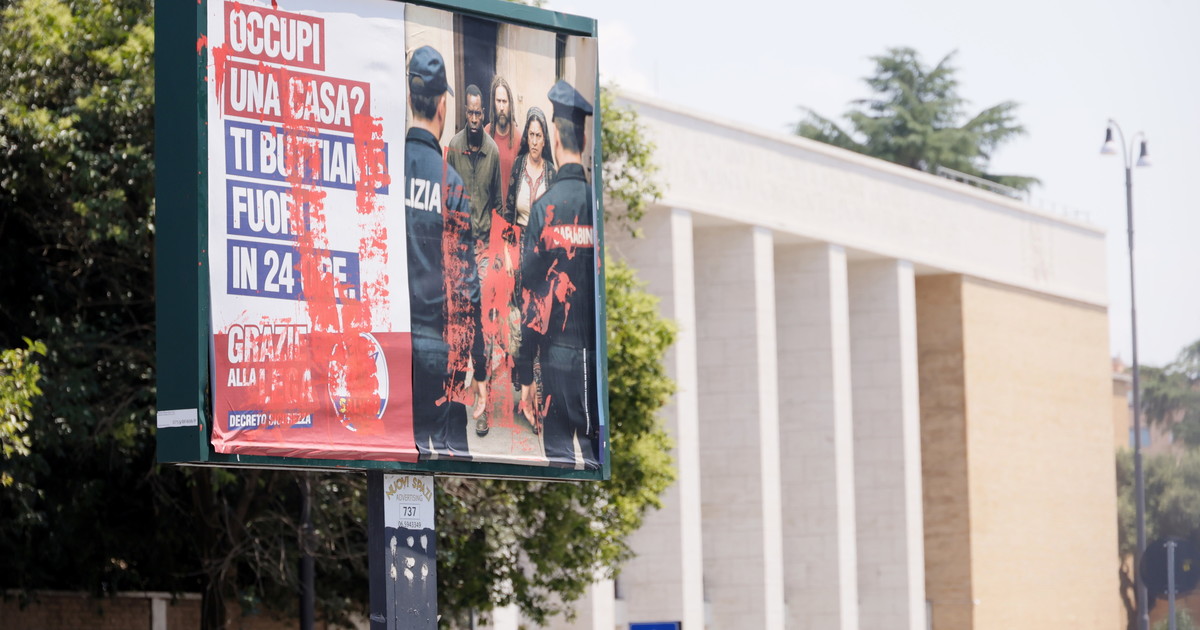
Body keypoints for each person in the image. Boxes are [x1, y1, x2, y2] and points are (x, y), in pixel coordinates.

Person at [403, 45, 486, 460]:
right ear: (442, 105)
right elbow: (466, 284)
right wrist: (479, 365)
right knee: (431, 466)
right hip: (434, 351)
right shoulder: (450, 183)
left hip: (386, 349)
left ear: (409, 98)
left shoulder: (381, 168)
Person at [516, 80, 599, 470]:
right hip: (593, 366)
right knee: (597, 466)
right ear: (583, 138)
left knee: (561, 469)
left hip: (554, 363)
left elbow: (530, 299)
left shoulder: (544, 210)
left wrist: (525, 373)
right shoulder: (596, 207)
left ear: (554, 136)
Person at [445, 84, 503, 252]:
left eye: (477, 113)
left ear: (483, 113)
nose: (474, 119)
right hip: (459, 245)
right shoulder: (454, 147)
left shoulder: (492, 151)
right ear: (465, 112)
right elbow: (447, 199)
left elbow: (498, 203)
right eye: (471, 113)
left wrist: (496, 247)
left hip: (484, 245)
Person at [484, 75, 520, 205]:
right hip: (489, 212)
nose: (501, 107)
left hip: (510, 213)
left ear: (510, 104)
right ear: (493, 103)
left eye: (504, 101)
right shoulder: (485, 134)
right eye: (498, 101)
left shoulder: (518, 138)